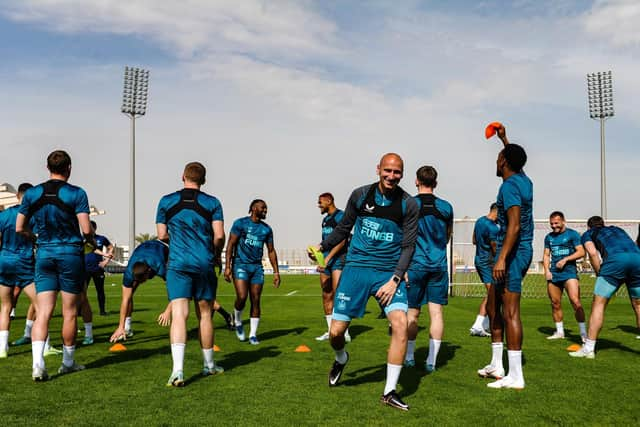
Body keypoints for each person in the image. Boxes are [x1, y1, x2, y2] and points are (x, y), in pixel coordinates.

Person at [316, 153, 418, 411]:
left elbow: (408, 247)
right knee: (336, 332)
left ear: (402, 174)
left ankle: (389, 391)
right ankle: (341, 358)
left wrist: (395, 279)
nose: (392, 176)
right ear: (378, 169)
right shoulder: (360, 195)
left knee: (400, 324)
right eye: (388, 170)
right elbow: (343, 229)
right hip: (356, 269)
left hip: (387, 273)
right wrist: (323, 246)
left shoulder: (408, 204)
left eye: (397, 172)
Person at [16, 151, 94, 380]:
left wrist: (35, 237)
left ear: (47, 166)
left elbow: (19, 228)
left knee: (44, 312)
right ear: (69, 167)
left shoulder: (32, 193)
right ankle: (67, 363)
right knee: (69, 312)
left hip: (45, 255)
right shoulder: (77, 193)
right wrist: (88, 241)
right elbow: (87, 229)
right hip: (70, 253)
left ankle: (38, 364)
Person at [156, 162, 226, 386]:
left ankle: (178, 370)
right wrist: (216, 252)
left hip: (177, 264)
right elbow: (219, 235)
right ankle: (209, 366)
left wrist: (178, 240)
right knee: (204, 315)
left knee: (179, 314)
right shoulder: (212, 202)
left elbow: (161, 234)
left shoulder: (166, 201)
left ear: (183, 176)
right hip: (204, 262)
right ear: (203, 180)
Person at [477, 125, 533, 390]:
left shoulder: (510, 187)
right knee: (492, 306)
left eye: (499, 157)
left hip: (512, 252)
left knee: (510, 311)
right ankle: (498, 365)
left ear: (503, 162)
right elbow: (516, 160)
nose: (496, 160)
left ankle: (516, 376)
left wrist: (501, 259)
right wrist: (504, 140)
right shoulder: (523, 179)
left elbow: (514, 226)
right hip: (513, 250)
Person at [0, 184, 61, 358]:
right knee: (41, 306)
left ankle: (2, 348)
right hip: (24, 262)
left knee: (5, 306)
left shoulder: (3, 215)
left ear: (17, 196)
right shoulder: (33, 216)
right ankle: (46, 345)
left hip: (4, 260)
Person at [404, 166, 453, 373]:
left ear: (416, 181)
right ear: (436, 183)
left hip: (415, 265)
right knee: (437, 313)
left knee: (413, 314)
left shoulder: (409, 204)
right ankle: (431, 362)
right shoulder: (446, 207)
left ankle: (409, 357)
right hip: (439, 265)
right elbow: (448, 234)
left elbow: (403, 237)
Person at [569, 216, 640, 358]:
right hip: (637, 258)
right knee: (638, 305)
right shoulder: (618, 229)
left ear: (589, 227)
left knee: (598, 304)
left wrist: (599, 274)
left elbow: (593, 253)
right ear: (604, 224)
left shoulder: (588, 234)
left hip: (615, 261)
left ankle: (588, 348)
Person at [224, 199, 281, 345]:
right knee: (242, 297)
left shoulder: (266, 229)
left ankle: (253, 335)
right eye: (263, 208)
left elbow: (271, 251)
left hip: (256, 268)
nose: (265, 211)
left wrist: (276, 272)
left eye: (266, 209)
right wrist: (228, 267)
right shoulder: (240, 223)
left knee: (255, 300)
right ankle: (237, 320)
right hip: (240, 265)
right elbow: (230, 244)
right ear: (254, 208)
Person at [543, 211, 586, 341]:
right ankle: (560, 332)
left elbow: (581, 252)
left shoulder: (572, 234)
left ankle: (584, 333)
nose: (554, 226)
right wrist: (547, 270)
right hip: (554, 274)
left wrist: (566, 259)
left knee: (575, 301)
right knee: (555, 303)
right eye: (551, 223)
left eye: (556, 223)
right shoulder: (549, 237)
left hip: (569, 273)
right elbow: (546, 255)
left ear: (563, 221)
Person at [312, 193, 350, 342]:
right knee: (326, 294)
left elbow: (342, 240)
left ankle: (344, 331)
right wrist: (318, 256)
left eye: (320, 202)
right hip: (326, 261)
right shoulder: (325, 220)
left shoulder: (340, 216)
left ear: (329, 201)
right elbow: (325, 242)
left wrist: (328, 258)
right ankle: (330, 330)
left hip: (339, 259)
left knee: (339, 294)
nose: (318, 205)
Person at [469, 203, 499, 337]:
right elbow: (494, 247)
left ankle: (482, 324)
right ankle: (480, 325)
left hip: (479, 259)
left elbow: (474, 240)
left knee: (493, 293)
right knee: (493, 293)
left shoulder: (480, 221)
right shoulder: (492, 227)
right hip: (488, 262)